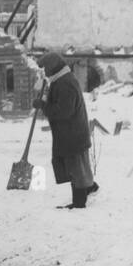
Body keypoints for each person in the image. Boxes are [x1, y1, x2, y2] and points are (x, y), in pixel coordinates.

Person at [35, 51, 98, 209]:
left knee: (76, 169)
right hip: (73, 133)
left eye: (46, 69)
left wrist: (44, 106)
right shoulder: (61, 80)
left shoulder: (65, 83)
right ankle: (89, 187)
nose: (45, 72)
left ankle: (79, 203)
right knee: (78, 167)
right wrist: (44, 100)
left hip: (73, 134)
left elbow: (64, 111)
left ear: (53, 68)